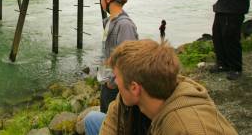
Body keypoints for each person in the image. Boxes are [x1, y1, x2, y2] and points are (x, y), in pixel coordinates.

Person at [98, 39, 238, 135]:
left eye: (117, 77)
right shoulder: (138, 94)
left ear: (134, 88)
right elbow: (112, 121)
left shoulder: (187, 128)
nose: (115, 82)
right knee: (93, 118)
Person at [84, 0, 138, 135]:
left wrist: (112, 84)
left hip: (115, 90)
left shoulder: (124, 25)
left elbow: (128, 63)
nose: (101, 0)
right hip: (108, 86)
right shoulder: (111, 21)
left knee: (114, 127)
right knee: (107, 126)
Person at [211, 0, 250, 80]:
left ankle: (236, 68)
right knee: (218, 38)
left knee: (230, 40)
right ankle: (222, 64)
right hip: (222, 12)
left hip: (232, 14)